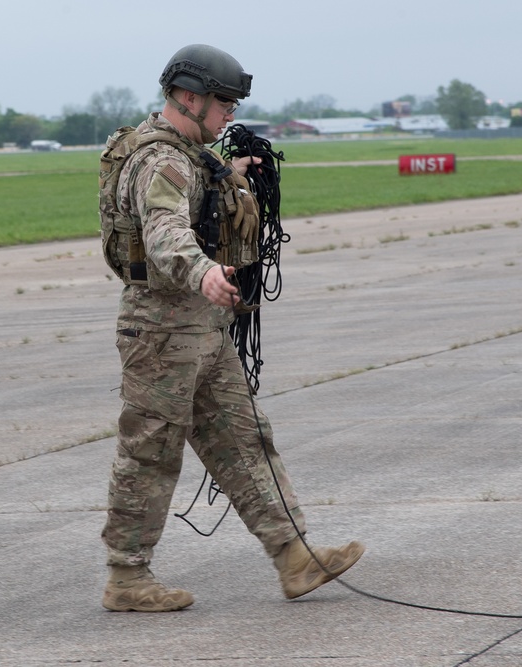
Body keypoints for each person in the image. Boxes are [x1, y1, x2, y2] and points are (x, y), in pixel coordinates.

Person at [98, 44, 364, 612]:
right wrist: (203, 273)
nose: (229, 115)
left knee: (245, 440)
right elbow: (167, 232)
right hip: (162, 333)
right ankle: (126, 578)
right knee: (151, 452)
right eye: (223, 103)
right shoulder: (160, 162)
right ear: (187, 98)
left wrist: (234, 176)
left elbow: (192, 206)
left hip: (204, 329)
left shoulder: (190, 157)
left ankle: (294, 557)